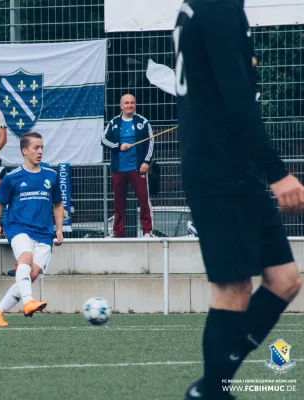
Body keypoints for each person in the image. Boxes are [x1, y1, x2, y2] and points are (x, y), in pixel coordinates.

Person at [174, 1, 304, 399]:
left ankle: (213, 384)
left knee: (284, 281)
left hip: (237, 166)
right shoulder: (215, 8)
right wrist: (277, 172)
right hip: (218, 168)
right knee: (234, 288)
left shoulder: (209, 8)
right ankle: (213, 390)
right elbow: (237, 99)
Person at [0, 132, 64, 327]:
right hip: (18, 228)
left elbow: (57, 205)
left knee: (31, 276)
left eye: (41, 147)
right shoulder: (12, 178)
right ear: (24, 150)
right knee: (26, 259)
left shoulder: (51, 175)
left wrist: (59, 229)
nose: (40, 151)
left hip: (44, 234)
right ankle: (29, 301)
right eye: (35, 148)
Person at [101, 94, 154, 238]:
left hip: (138, 168)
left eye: (132, 102)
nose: (130, 105)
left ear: (135, 105)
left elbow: (151, 142)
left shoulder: (143, 122)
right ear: (121, 106)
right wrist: (118, 146)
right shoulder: (114, 122)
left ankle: (147, 231)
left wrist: (146, 162)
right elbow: (104, 140)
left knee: (143, 200)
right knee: (118, 202)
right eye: (127, 103)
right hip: (119, 169)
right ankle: (118, 232)